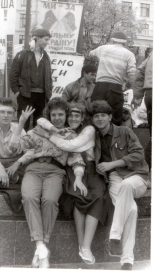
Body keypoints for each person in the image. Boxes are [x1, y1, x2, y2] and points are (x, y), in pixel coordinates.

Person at [8, 98, 86, 268]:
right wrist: (21, 123)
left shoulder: (70, 136)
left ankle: (40, 249)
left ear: (66, 116)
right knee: (29, 198)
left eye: (60, 114)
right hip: (33, 169)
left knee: (50, 201)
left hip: (56, 171)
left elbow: (77, 160)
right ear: (49, 116)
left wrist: (79, 178)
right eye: (54, 114)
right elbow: (14, 148)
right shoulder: (38, 130)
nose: (57, 117)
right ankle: (41, 247)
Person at [33, 102, 110, 265]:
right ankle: (81, 245)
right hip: (72, 169)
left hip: (91, 169)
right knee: (76, 196)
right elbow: (41, 121)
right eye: (71, 115)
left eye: (77, 115)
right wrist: (55, 132)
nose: (74, 118)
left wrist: (48, 135)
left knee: (98, 196)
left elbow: (71, 146)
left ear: (82, 118)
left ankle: (87, 247)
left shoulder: (88, 130)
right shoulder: (63, 131)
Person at [89, 100, 148, 270]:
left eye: (103, 115)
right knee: (132, 210)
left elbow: (139, 154)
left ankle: (114, 234)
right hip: (114, 178)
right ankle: (127, 260)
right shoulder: (95, 136)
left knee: (127, 185)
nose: (99, 119)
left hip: (137, 175)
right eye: (96, 116)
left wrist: (112, 164)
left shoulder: (124, 131)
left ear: (109, 117)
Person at [9, 28, 53, 131]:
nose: (47, 42)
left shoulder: (46, 56)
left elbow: (49, 76)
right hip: (25, 96)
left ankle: (35, 146)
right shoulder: (23, 54)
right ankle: (21, 146)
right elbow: (13, 75)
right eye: (46, 39)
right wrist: (17, 92)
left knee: (39, 125)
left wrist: (48, 94)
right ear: (37, 39)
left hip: (42, 96)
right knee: (23, 124)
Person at [89, 31, 136, 126]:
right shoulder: (129, 54)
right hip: (116, 88)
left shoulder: (103, 49)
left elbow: (90, 54)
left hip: (99, 87)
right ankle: (114, 139)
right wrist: (131, 87)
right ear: (125, 42)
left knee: (96, 114)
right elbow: (132, 74)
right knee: (115, 117)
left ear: (112, 40)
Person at [132, 51, 153, 172]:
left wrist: (139, 95)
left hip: (149, 93)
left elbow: (139, 71)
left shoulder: (151, 54)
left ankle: (146, 169)